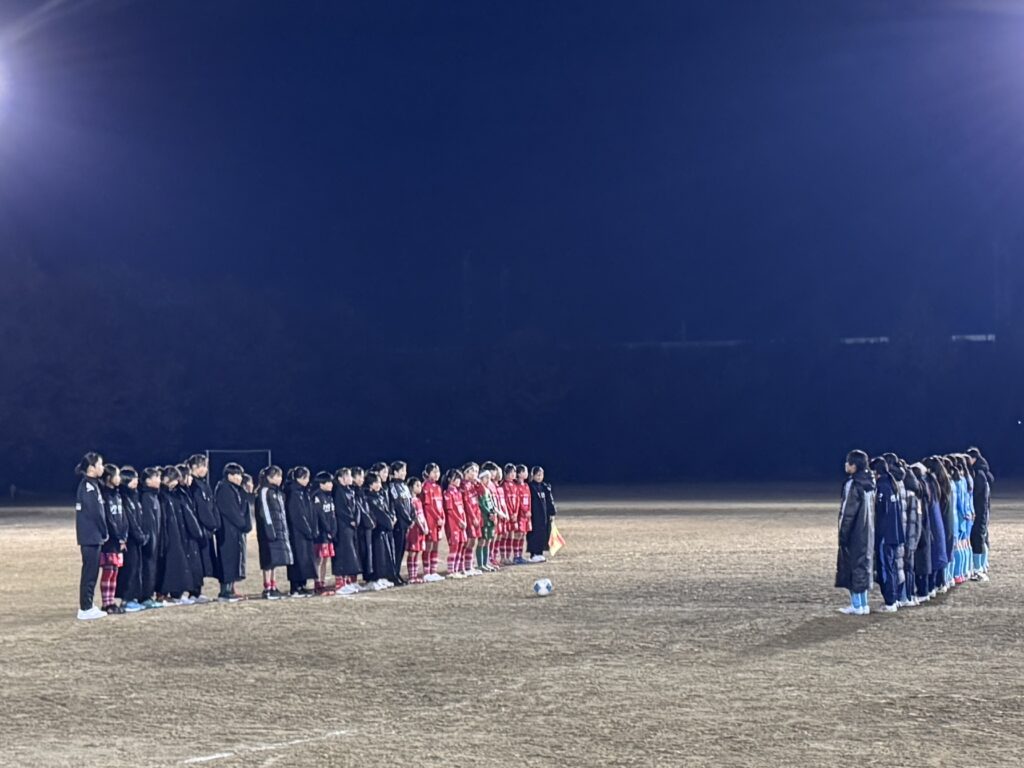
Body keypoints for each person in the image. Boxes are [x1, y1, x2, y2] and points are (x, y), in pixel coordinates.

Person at [834, 450, 875, 616]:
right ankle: (864, 604)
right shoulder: (870, 483)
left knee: (852, 567)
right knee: (863, 566)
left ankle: (856, 605)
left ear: (854, 465)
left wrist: (842, 535)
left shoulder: (852, 484)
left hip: (855, 533)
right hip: (868, 532)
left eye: (847, 462)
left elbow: (847, 514)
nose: (845, 465)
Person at [74, 452, 108, 621]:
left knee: (91, 572)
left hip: (91, 536)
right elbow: (97, 514)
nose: (103, 467)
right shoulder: (88, 486)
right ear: (92, 468)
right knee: (89, 572)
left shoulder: (92, 484)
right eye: (100, 464)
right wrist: (105, 531)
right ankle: (85, 608)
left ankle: (87, 606)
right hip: (91, 536)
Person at [871, 456, 904, 613]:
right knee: (892, 566)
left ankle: (890, 601)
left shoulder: (883, 486)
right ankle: (895, 599)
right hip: (895, 533)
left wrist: (878, 534)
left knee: (886, 568)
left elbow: (881, 514)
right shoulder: (892, 484)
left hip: (886, 535)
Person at [255, 465, 293, 600]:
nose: (280, 479)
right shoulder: (264, 491)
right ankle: (267, 588)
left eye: (280, 476)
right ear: (269, 477)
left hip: (278, 531)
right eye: (277, 476)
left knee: (275, 560)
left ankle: (273, 586)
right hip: (268, 532)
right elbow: (264, 511)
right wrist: (269, 529)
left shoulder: (277, 492)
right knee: (268, 560)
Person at [214, 462, 251, 602]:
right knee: (227, 559)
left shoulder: (235, 489)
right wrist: (242, 524)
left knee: (235, 558)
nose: (239, 478)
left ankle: (231, 588)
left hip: (235, 531)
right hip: (227, 531)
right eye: (236, 475)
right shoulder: (224, 488)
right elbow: (231, 511)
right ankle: (225, 591)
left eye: (240, 475)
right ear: (229, 475)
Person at [114, 466, 148, 612]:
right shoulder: (124, 497)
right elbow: (130, 521)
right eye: (134, 479)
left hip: (136, 540)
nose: (137, 481)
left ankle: (133, 597)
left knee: (136, 568)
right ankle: (126, 599)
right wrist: (140, 536)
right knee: (130, 569)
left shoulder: (134, 496)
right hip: (130, 541)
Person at [188, 454, 221, 597]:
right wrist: (211, 523)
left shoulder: (203, 483)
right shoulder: (193, 485)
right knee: (197, 561)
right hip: (199, 529)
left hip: (206, 530)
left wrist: (215, 523)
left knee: (203, 561)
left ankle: (198, 591)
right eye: (204, 466)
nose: (206, 469)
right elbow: (201, 508)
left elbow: (211, 505)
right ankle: (194, 592)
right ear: (195, 467)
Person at [99, 465, 129, 614]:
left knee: (115, 571)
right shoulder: (104, 496)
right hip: (110, 541)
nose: (119, 479)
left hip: (119, 540)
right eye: (116, 475)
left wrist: (124, 537)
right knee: (108, 570)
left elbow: (123, 517)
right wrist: (117, 537)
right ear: (109, 478)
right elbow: (109, 520)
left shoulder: (117, 495)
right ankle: (106, 602)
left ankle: (112, 601)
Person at [285, 467, 318, 597]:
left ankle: (302, 585)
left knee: (305, 560)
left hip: (306, 533)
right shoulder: (294, 493)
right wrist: (307, 529)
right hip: (297, 533)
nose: (308, 480)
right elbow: (297, 515)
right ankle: (295, 587)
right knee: (298, 560)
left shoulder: (303, 492)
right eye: (306, 478)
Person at [332, 468, 363, 595]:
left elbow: (356, 507)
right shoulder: (338, 492)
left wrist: (356, 519)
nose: (351, 478)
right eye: (348, 476)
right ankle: (340, 584)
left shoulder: (350, 490)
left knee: (351, 554)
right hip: (343, 528)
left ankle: (349, 582)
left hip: (351, 527)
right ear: (341, 479)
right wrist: (350, 520)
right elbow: (341, 510)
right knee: (343, 553)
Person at [138, 467, 165, 609]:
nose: (159, 480)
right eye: (156, 477)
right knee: (147, 569)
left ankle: (149, 595)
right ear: (148, 481)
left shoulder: (154, 496)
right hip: (150, 542)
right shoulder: (146, 497)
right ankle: (145, 597)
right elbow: (148, 523)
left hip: (155, 540)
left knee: (152, 569)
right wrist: (150, 542)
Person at [366, 471, 397, 589]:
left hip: (384, 530)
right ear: (370, 484)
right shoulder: (369, 497)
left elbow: (386, 510)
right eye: (376, 482)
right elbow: (378, 514)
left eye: (379, 482)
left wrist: (391, 519)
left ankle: (383, 577)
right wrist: (389, 522)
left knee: (385, 554)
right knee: (377, 555)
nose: (379, 485)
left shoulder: (380, 495)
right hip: (376, 531)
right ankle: (376, 578)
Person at [968, 447, 993, 581]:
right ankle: (983, 565)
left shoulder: (979, 475)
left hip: (979, 511)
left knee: (978, 538)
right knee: (983, 537)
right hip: (984, 510)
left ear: (974, 459)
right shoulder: (983, 472)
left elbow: (975, 495)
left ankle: (979, 569)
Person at [387, 461, 413, 584]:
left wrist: (412, 517)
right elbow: (398, 505)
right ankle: (393, 575)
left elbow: (410, 503)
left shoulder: (405, 486)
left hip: (406, 524)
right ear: (396, 472)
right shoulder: (393, 486)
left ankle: (397, 574)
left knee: (402, 549)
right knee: (397, 550)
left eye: (405, 470)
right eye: (402, 470)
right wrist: (408, 519)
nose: (404, 473)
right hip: (399, 524)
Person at [312, 471, 337, 595]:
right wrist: (327, 530)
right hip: (321, 534)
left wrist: (333, 530)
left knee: (326, 559)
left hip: (329, 534)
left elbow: (332, 515)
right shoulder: (317, 497)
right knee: (319, 559)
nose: (331, 484)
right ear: (321, 484)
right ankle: (317, 583)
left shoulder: (329, 497)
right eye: (328, 482)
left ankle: (322, 581)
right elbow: (320, 516)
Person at [420, 463, 445, 582]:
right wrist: (437, 518)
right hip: (430, 520)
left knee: (436, 545)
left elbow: (440, 505)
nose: (437, 474)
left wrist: (442, 518)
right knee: (428, 546)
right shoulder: (426, 487)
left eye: (438, 472)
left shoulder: (438, 487)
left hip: (438, 522)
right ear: (428, 473)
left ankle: (433, 571)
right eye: (434, 472)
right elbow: (428, 506)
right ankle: (426, 573)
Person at [527, 466, 556, 563]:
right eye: (537, 475)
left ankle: (540, 553)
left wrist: (552, 513)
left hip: (544, 516)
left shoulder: (545, 487)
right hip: (534, 516)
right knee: (534, 534)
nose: (539, 477)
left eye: (541, 475)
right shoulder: (530, 487)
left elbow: (550, 501)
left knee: (543, 534)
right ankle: (533, 554)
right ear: (533, 475)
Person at [443, 469, 468, 579]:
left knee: (461, 545)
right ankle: (450, 571)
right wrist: (459, 521)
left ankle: (458, 569)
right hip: (453, 524)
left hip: (461, 524)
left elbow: (462, 509)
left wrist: (464, 521)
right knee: (454, 546)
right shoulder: (448, 493)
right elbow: (450, 510)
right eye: (456, 478)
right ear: (450, 480)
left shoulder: (458, 492)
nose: (458, 480)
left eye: (459, 478)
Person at [405, 476, 429, 583]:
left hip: (421, 529)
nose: (420, 488)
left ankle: (414, 576)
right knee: (412, 552)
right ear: (410, 487)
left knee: (418, 551)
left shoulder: (418, 500)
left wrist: (426, 526)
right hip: (414, 529)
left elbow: (422, 515)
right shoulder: (410, 501)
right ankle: (411, 576)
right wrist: (422, 527)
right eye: (417, 485)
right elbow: (414, 516)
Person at [461, 463, 483, 575]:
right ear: (466, 472)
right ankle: (463, 566)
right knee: (469, 541)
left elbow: (482, 493)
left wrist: (478, 484)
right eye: (473, 471)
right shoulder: (463, 485)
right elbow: (466, 503)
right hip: (469, 517)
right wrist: (473, 517)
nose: (476, 473)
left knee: (473, 540)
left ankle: (469, 566)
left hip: (476, 515)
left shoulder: (473, 484)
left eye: (477, 471)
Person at [501, 463, 520, 565]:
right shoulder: (504, 485)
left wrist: (516, 513)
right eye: (511, 472)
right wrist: (509, 513)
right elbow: (505, 502)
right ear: (506, 473)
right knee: (505, 536)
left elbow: (517, 501)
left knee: (511, 536)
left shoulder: (515, 485)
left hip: (514, 515)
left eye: (514, 472)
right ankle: (503, 557)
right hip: (507, 515)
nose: (513, 474)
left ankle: (508, 557)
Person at [514, 464, 531, 564]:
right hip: (520, 514)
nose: (527, 474)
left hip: (526, 515)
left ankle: (520, 555)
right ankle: (516, 556)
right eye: (525, 471)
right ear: (519, 474)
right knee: (518, 534)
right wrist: (524, 511)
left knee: (523, 534)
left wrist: (529, 511)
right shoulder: (517, 487)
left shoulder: (526, 486)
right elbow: (518, 501)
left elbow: (528, 500)